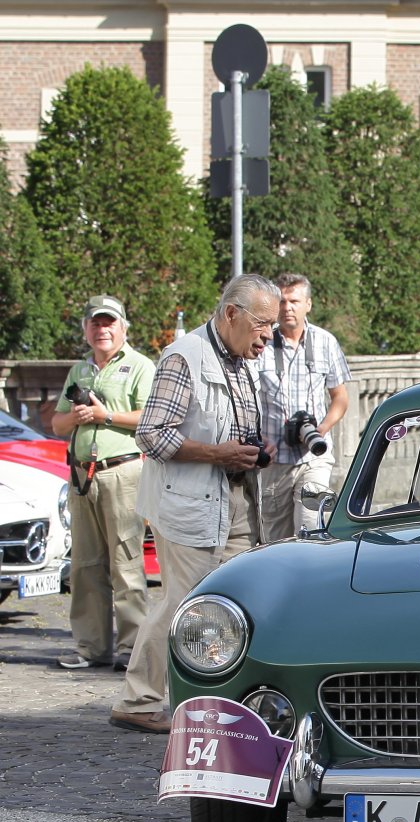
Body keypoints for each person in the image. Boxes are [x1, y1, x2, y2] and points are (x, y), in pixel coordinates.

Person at [109, 275, 279, 733]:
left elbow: (226, 429)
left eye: (273, 326)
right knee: (183, 605)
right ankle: (138, 700)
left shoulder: (240, 359)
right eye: (263, 324)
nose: (269, 335)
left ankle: (222, 700)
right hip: (188, 504)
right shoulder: (184, 356)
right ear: (231, 314)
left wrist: (252, 449)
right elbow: (152, 434)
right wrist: (217, 453)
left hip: (237, 500)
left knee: (238, 602)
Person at [51, 294, 155, 671]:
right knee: (84, 565)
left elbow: (150, 416)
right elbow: (57, 424)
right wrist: (78, 417)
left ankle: (131, 648)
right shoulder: (79, 370)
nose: (102, 329)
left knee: (126, 563)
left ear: (123, 327)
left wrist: (104, 415)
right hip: (81, 475)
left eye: (109, 322)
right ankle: (90, 648)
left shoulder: (141, 365)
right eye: (95, 323)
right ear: (85, 329)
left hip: (121, 472)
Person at [256, 273, 351, 541]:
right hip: (274, 460)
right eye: (282, 301)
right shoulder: (261, 343)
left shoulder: (325, 341)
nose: (287, 307)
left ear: (308, 304)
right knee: (275, 540)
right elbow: (246, 398)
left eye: (294, 301)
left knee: (311, 531)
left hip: (314, 455)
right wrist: (258, 438)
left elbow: (340, 398)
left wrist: (322, 428)